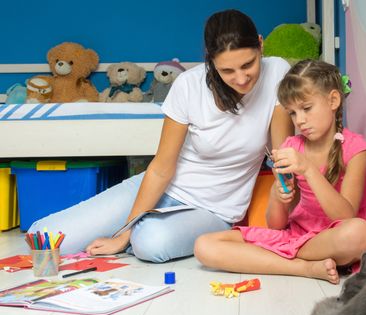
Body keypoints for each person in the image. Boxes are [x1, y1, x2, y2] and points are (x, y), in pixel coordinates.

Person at [29, 9, 294, 262]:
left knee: (150, 242)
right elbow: (161, 168)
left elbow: (282, 151)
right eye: (227, 70)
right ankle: (139, 224)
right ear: (210, 60)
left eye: (248, 64)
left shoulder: (277, 71)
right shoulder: (188, 85)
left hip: (212, 209)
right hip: (164, 188)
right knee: (44, 236)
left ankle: (143, 229)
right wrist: (125, 230)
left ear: (261, 45)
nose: (240, 78)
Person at [194, 60, 366, 284]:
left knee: (359, 233)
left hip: (331, 239)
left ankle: (278, 259)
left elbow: (345, 216)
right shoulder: (292, 146)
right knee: (204, 246)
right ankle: (304, 268)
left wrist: (309, 170)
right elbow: (276, 225)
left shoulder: (356, 148)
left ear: (333, 100)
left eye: (307, 108)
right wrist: (277, 196)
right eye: (292, 113)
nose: (300, 121)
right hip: (295, 236)